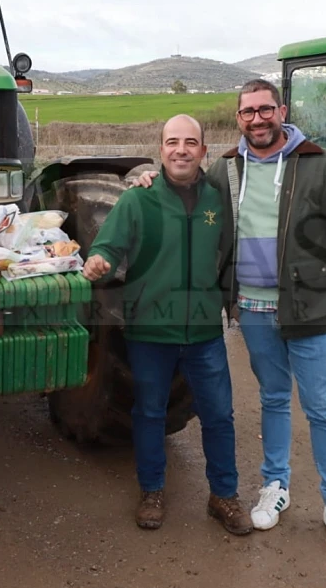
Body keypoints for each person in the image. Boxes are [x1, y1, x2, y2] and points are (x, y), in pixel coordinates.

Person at [135, 78, 326, 557]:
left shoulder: (319, 164)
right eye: (248, 112)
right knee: (273, 398)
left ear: (281, 111)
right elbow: (181, 180)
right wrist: (144, 175)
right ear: (238, 119)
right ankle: (275, 485)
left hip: (308, 304)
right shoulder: (226, 169)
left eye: (265, 110)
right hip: (254, 305)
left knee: (321, 408)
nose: (257, 119)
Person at [82, 114, 252, 535]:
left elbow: (232, 252)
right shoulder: (137, 200)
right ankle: (152, 491)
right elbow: (108, 246)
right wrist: (99, 261)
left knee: (219, 415)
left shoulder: (217, 200)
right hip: (150, 330)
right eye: (173, 141)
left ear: (203, 151)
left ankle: (223, 495)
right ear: (160, 150)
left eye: (190, 142)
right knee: (149, 414)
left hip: (204, 332)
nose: (181, 149)